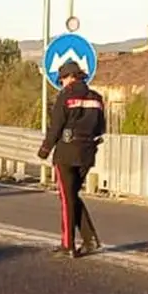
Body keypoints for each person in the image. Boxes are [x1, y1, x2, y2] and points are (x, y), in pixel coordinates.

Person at [36, 59, 105, 258]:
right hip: (87, 153)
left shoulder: (65, 96)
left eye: (63, 79)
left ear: (68, 77)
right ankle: (90, 239)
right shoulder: (97, 98)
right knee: (72, 196)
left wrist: (45, 149)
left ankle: (68, 245)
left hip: (66, 152)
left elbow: (56, 126)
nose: (62, 83)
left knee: (66, 199)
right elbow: (101, 128)